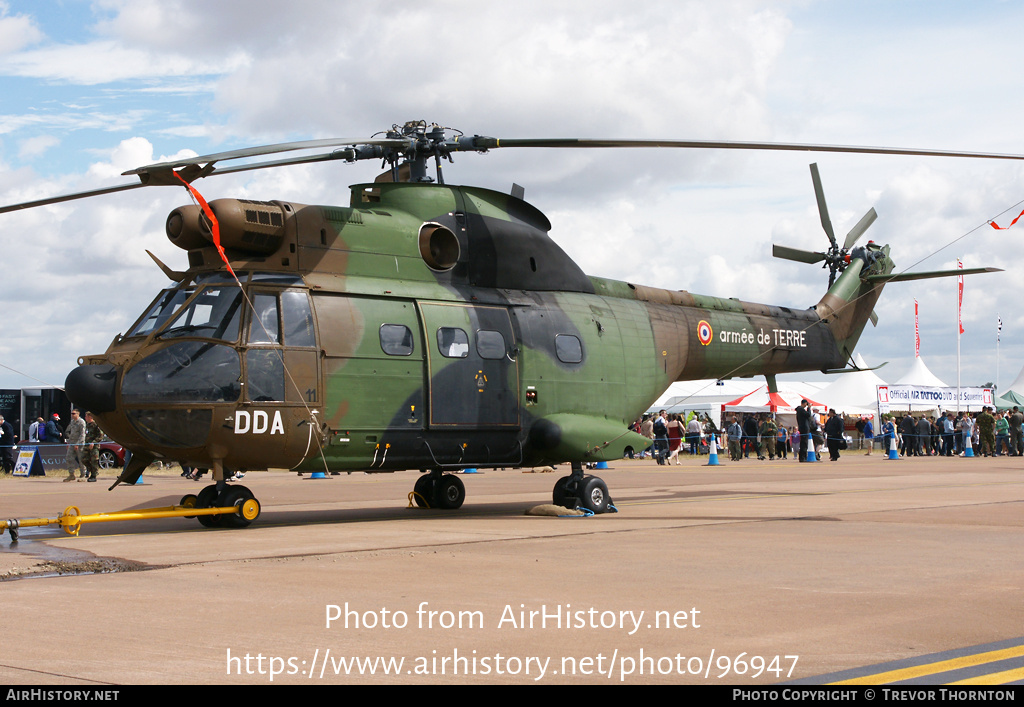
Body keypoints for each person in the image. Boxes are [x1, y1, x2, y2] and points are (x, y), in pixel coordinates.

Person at [63, 408, 87, 482]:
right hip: (72, 443)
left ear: (78, 414)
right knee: (68, 458)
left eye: (74, 413)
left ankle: (83, 475)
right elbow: (71, 433)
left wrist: (78, 444)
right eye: (72, 413)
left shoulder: (81, 422)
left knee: (81, 459)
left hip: (79, 444)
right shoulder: (72, 422)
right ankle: (71, 475)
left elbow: (82, 434)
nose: (72, 415)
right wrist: (68, 442)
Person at [82, 411, 103, 482]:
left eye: (86, 416)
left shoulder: (96, 425)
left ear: (90, 417)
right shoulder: (87, 425)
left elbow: (100, 435)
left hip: (94, 446)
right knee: (83, 459)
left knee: (94, 460)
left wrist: (93, 442)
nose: (85, 418)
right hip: (87, 445)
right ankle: (92, 470)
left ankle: (94, 475)